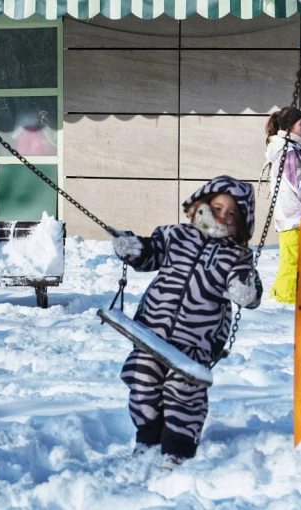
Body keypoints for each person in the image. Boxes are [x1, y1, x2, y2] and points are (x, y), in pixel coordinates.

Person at [112, 175, 263, 470]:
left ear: (241, 223)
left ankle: (178, 448)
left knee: (184, 391)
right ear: (201, 204)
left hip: (196, 340)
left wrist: (245, 290)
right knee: (142, 380)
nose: (222, 216)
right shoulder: (174, 235)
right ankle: (148, 438)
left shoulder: (238, 255)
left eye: (232, 213)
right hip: (153, 331)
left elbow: (249, 290)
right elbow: (149, 255)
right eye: (217, 208)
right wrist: (132, 247)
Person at [265, 106, 301, 304]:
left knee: (289, 259)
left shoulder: (285, 149)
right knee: (293, 261)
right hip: (293, 216)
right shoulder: (289, 152)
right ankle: (286, 300)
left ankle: (278, 296)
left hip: (287, 215)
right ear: (290, 127)